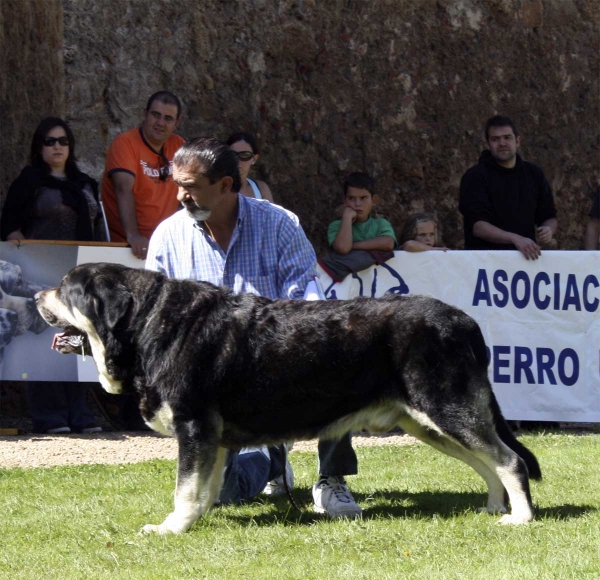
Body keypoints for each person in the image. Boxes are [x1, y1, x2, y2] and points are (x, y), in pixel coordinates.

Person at [145, 137, 363, 518]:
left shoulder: (279, 223)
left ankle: (332, 479)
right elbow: (155, 320)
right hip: (212, 385)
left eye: (191, 187)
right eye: (177, 185)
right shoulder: (167, 236)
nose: (180, 195)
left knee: (338, 353)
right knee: (226, 495)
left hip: (279, 363)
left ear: (226, 185)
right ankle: (271, 459)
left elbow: (305, 303)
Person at [0, 116, 103, 434]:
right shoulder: (28, 182)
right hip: (42, 274)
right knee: (46, 342)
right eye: (50, 141)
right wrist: (19, 242)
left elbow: (99, 224)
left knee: (79, 340)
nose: (57, 146)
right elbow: (9, 224)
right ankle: (49, 414)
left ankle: (78, 411)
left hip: (80, 274)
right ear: (39, 147)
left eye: (63, 141)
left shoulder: (85, 183)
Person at [459, 115, 558, 260]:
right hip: (484, 264)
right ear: (488, 143)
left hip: (526, 262)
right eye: (495, 139)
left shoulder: (534, 174)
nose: (502, 143)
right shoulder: (474, 177)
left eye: (507, 137)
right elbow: (478, 226)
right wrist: (515, 239)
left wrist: (549, 229)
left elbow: (549, 216)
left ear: (517, 141)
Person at [101, 90, 185, 259]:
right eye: (155, 115)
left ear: (177, 123)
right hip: (128, 247)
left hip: (166, 245)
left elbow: (192, 189)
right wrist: (133, 236)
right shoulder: (125, 143)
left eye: (168, 119)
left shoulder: (179, 145)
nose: (160, 122)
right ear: (145, 114)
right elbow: (123, 188)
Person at [318, 172, 397, 282]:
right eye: (351, 198)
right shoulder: (336, 226)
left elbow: (388, 243)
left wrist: (353, 246)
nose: (357, 204)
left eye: (363, 198)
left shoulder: (380, 224)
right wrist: (346, 218)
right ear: (344, 201)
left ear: (373, 200)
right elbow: (343, 248)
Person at [226, 132, 274, 202]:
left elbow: (271, 213)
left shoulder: (261, 189)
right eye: (232, 155)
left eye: (245, 155)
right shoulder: (217, 187)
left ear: (254, 159)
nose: (237, 161)